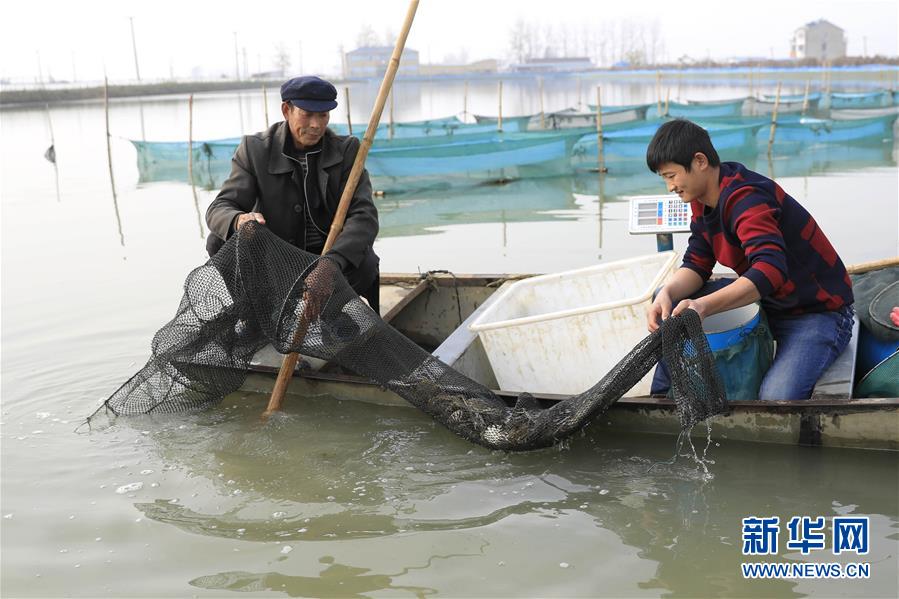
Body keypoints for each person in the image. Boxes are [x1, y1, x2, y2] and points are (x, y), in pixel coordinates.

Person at [644, 119, 854, 400]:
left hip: (815, 312)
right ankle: (661, 397)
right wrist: (666, 293)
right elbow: (697, 263)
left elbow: (770, 271)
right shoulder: (702, 200)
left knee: (776, 397)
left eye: (671, 176)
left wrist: (703, 306)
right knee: (671, 303)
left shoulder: (746, 198)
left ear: (700, 161)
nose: (670, 187)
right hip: (766, 305)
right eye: (664, 178)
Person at [206, 75, 380, 312]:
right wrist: (239, 220)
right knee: (218, 241)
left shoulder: (347, 150)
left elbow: (364, 216)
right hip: (278, 259)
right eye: (307, 114)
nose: (317, 124)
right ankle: (257, 315)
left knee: (365, 259)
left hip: (330, 257)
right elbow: (220, 207)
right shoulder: (255, 149)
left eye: (323, 115)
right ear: (286, 110)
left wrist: (331, 263)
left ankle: (333, 311)